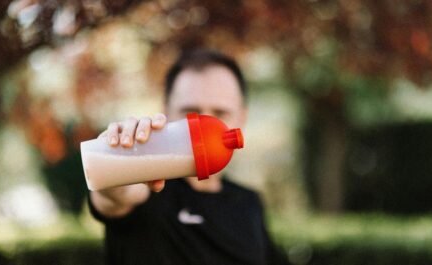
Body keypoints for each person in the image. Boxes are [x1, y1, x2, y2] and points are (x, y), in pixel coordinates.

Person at [89, 49, 289, 265]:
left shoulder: (248, 203)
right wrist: (116, 159)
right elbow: (116, 195)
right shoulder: (146, 187)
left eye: (220, 113)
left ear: (241, 118)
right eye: (191, 112)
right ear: (165, 112)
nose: (205, 126)